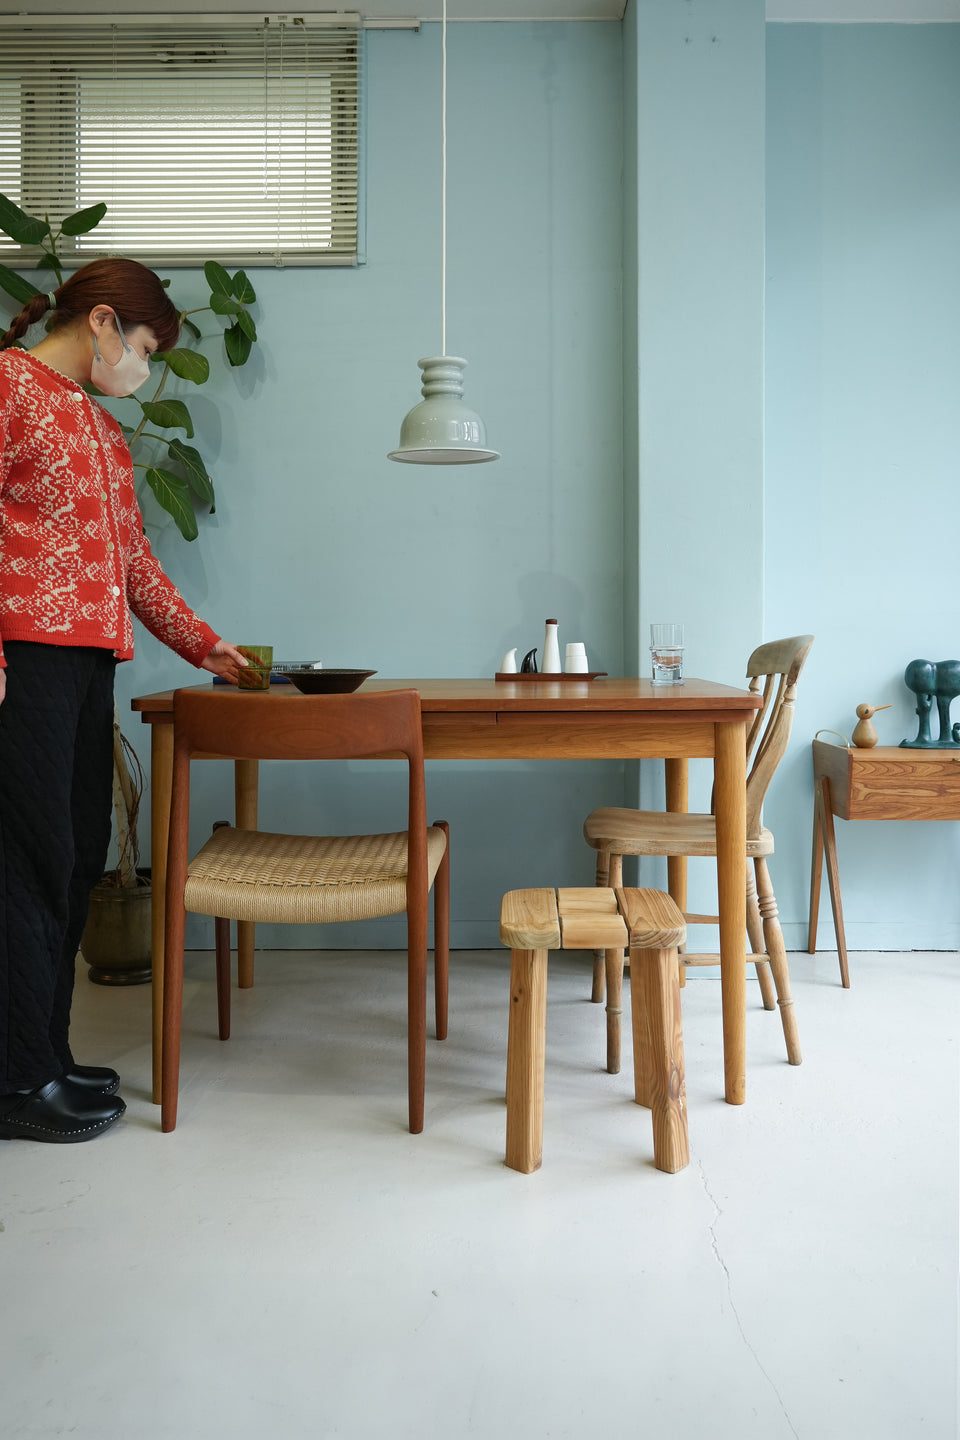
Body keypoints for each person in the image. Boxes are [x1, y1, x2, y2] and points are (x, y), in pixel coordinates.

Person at [0, 257, 247, 1143]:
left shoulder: (103, 434)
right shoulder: (6, 386)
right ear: (102, 322)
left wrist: (202, 643)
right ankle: (18, 1083)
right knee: (29, 861)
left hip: (86, 665)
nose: (142, 364)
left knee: (75, 859)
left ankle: (43, 1054)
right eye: (143, 346)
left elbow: (135, 563)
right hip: (20, 662)